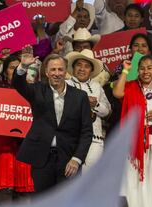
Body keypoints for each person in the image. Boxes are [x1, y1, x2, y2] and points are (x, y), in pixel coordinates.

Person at [13, 47, 93, 193]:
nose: (57, 73)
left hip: (69, 160)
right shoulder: (37, 90)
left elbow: (87, 132)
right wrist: (23, 66)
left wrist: (77, 159)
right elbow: (18, 84)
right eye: (53, 70)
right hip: (42, 159)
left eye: (60, 69)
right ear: (47, 72)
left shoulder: (80, 96)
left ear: (65, 71)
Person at [113, 55, 152, 207]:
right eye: (142, 68)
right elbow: (117, 93)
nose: (145, 71)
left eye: (149, 67)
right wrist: (125, 71)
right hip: (137, 145)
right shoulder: (131, 86)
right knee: (138, 186)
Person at [0, 51, 34, 203]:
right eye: (12, 67)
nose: (15, 70)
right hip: (2, 145)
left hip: (24, 145)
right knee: (3, 188)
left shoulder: (32, 89)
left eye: (19, 67)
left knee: (23, 189)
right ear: (5, 70)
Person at [65, 49, 111, 172]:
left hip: (94, 139)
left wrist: (96, 105)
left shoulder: (97, 87)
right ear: (73, 67)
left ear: (91, 70)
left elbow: (107, 111)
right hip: (70, 138)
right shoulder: (65, 85)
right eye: (79, 65)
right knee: (70, 176)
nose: (82, 69)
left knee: (90, 177)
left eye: (86, 66)